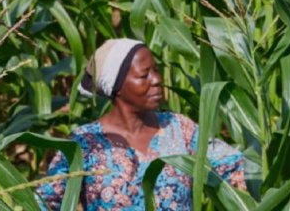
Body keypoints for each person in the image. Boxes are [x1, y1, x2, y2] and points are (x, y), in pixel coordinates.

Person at [36, 38, 246, 210]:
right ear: (116, 86)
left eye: (156, 70)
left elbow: (235, 168)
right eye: (144, 75)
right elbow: (44, 202)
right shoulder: (85, 144)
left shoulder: (179, 128)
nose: (156, 80)